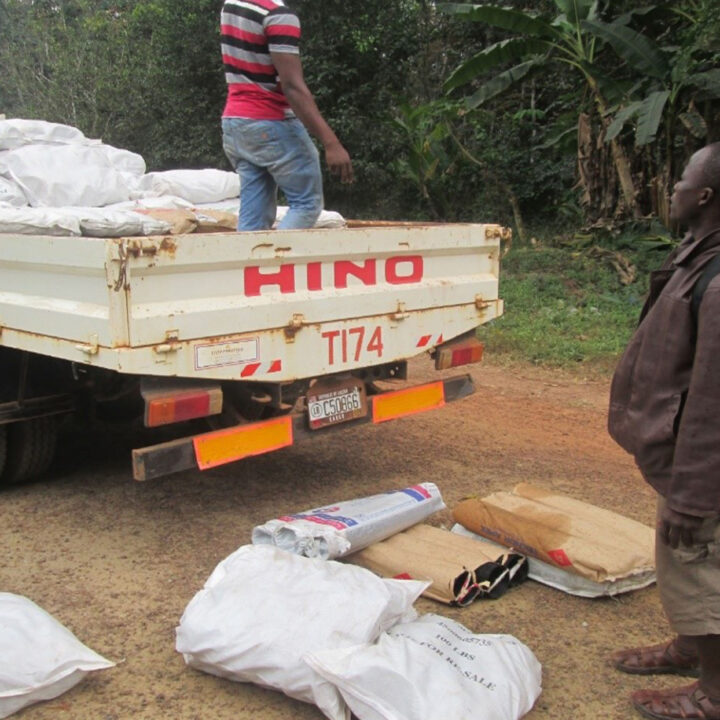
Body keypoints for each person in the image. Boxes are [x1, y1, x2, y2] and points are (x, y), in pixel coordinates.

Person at [608, 142, 720, 720]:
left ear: (703, 196)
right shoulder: (699, 253)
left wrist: (693, 492)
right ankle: (691, 646)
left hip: (702, 465)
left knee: (699, 557)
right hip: (682, 455)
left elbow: (713, 402)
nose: (671, 187)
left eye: (681, 180)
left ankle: (713, 691)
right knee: (683, 555)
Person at [219, 0, 353, 231]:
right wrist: (332, 143)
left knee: (254, 218)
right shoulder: (278, 15)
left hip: (236, 124)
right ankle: (276, 261)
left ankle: (250, 264)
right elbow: (292, 87)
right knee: (307, 203)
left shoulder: (232, 4)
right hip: (270, 123)